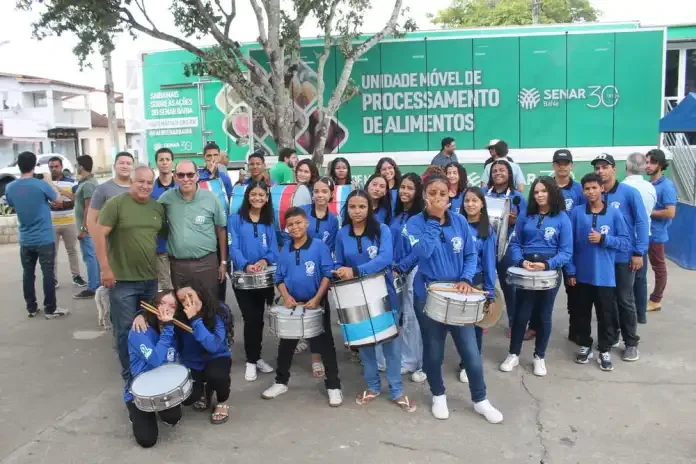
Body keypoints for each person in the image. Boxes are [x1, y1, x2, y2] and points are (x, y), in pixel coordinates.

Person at [404, 175, 502, 422]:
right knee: (434, 351)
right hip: (427, 294)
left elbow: (470, 255)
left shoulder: (460, 222)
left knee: (470, 350)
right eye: (432, 193)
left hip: (459, 295)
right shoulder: (414, 223)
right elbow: (423, 252)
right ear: (424, 196)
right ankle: (438, 395)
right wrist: (435, 220)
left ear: (450, 196)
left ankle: (480, 400)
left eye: (442, 193)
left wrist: (467, 279)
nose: (437, 198)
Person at [334, 190, 416, 412]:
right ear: (347, 209)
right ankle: (372, 386)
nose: (357, 211)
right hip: (354, 298)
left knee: (391, 344)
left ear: (370, 208)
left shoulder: (382, 230)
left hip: (383, 293)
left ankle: (397, 390)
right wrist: (340, 271)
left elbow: (385, 259)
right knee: (365, 345)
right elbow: (339, 262)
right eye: (352, 207)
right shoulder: (342, 234)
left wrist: (357, 270)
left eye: (362, 206)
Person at [261, 207, 343, 406]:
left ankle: (334, 386)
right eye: (290, 224)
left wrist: (317, 299)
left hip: (315, 303)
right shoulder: (284, 250)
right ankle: (281, 382)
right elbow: (279, 278)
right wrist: (286, 296)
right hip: (292, 305)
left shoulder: (319, 246)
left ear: (306, 223)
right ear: (286, 228)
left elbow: (326, 274)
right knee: (286, 344)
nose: (295, 227)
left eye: (298, 222)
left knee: (326, 345)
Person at [93, 166, 165, 386]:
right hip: (122, 281)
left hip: (149, 280)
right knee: (125, 330)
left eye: (149, 182)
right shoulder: (116, 204)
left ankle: (147, 369)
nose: (145, 186)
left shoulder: (157, 207)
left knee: (150, 327)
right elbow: (98, 234)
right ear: (131, 181)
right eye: (140, 181)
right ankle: (130, 377)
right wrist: (105, 268)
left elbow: (160, 238)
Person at [500, 176, 572, 377]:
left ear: (552, 193)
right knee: (522, 313)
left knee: (544, 315)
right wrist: (521, 262)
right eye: (536, 191)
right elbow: (514, 244)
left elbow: (566, 252)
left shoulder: (562, 218)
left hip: (548, 271)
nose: (540, 195)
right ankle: (513, 354)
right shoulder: (526, 214)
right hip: (526, 269)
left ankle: (539, 357)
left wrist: (547, 264)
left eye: (544, 191)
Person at [566, 173, 630, 372]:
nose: (591, 192)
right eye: (587, 188)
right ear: (583, 191)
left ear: (602, 189)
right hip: (581, 276)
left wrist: (605, 239)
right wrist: (571, 271)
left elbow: (625, 242)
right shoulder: (576, 213)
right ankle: (585, 345)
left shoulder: (614, 214)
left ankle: (604, 349)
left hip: (605, 277)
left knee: (606, 314)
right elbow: (569, 244)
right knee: (581, 313)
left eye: (594, 187)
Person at [593, 153, 648, 362]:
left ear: (614, 169)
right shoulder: (595, 194)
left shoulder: (629, 193)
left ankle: (631, 342)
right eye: (597, 168)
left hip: (624, 256)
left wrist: (638, 252)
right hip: (602, 258)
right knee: (608, 301)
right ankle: (612, 335)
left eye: (604, 167)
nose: (600, 171)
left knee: (625, 299)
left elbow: (642, 223)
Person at [5, 151, 68, 319]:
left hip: (25, 239)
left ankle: (31, 307)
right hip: (44, 238)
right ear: (34, 166)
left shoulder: (10, 187)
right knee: (47, 273)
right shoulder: (41, 185)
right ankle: (50, 309)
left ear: (19, 166)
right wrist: (48, 181)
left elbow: (11, 203)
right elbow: (59, 200)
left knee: (28, 273)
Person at [228, 180, 278, 381]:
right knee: (251, 319)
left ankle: (257, 358)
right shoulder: (235, 219)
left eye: (262, 195)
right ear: (248, 196)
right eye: (254, 194)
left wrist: (265, 260)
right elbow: (233, 247)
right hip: (243, 278)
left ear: (267, 199)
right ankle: (250, 361)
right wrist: (246, 264)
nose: (257, 198)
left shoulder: (268, 221)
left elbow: (274, 249)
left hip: (264, 279)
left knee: (260, 320)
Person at [159, 160, 227, 305]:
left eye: (190, 174)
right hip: (178, 267)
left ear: (197, 176)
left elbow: (221, 229)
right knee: (184, 310)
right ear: (175, 177)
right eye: (181, 175)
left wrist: (223, 262)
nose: (186, 179)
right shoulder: (166, 199)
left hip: (207, 264)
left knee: (210, 307)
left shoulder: (211, 198)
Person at [125, 291, 182, 447]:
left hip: (162, 385)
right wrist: (168, 329)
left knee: (173, 418)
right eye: (162, 303)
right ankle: (132, 407)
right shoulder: (140, 330)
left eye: (172, 306)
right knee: (147, 440)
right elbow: (155, 361)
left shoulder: (173, 326)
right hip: (140, 388)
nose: (167, 309)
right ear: (154, 305)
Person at [296, 176, 340, 371]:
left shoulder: (333, 220)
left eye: (324, 192)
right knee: (299, 309)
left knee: (318, 311)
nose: (320, 195)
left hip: (319, 271)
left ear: (331, 195)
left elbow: (330, 248)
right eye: (316, 191)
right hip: (299, 269)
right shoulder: (303, 213)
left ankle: (317, 357)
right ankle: (300, 338)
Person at [482, 160, 527, 337]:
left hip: (507, 248)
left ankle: (514, 323)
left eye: (502, 170)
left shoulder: (517, 197)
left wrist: (515, 221)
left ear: (510, 174)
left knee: (511, 288)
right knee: (484, 285)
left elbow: (525, 223)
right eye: (494, 171)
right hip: (485, 248)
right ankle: (482, 318)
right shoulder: (484, 194)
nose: (498, 173)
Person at [391, 173, 427, 383]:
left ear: (418, 192)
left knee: (414, 316)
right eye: (402, 187)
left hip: (413, 270)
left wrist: (404, 266)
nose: (405, 191)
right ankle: (406, 358)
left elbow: (419, 249)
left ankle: (419, 361)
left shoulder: (421, 217)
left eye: (410, 188)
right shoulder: (396, 214)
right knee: (401, 315)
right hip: (395, 269)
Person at [551, 149, 585, 342]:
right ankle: (536, 326)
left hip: (574, 248)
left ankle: (576, 330)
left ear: (571, 166)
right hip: (550, 247)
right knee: (543, 292)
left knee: (574, 290)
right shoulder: (547, 187)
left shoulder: (579, 189)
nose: (562, 167)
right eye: (559, 163)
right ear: (553, 166)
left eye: (566, 163)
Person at [461, 186, 497, 358]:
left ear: (482, 203)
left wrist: (490, 293)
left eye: (474, 200)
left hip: (475, 282)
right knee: (460, 326)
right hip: (456, 283)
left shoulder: (486, 231)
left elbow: (489, 263)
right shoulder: (457, 225)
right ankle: (464, 358)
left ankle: (470, 363)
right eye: (467, 200)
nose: (470, 204)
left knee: (475, 325)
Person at [622, 153, 657, 325]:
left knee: (624, 280)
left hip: (628, 238)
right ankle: (640, 314)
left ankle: (627, 314)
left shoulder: (622, 188)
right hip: (644, 236)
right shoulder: (650, 187)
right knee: (640, 277)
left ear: (625, 167)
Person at [645, 149, 677, 313]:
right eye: (647, 162)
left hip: (656, 235)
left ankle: (656, 300)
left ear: (661, 165)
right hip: (645, 234)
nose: (648, 166)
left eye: (652, 162)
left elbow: (670, 212)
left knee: (659, 267)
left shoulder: (667, 186)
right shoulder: (649, 184)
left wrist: (648, 212)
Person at [47, 156, 86, 288]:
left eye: (56, 166)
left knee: (72, 251)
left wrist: (63, 204)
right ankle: (53, 279)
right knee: (52, 253)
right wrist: (51, 206)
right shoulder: (45, 183)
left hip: (69, 221)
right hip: (52, 223)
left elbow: (77, 200)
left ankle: (76, 276)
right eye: (51, 167)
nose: (53, 169)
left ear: (61, 167)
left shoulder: (71, 182)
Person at [73, 155, 101, 300]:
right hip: (88, 227)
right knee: (92, 256)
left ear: (81, 167)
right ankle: (96, 283)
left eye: (76, 165)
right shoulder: (85, 183)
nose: (75, 168)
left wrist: (84, 228)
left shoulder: (89, 184)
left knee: (89, 256)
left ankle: (92, 287)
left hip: (88, 228)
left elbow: (89, 207)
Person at [86, 152, 133, 236]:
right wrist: (98, 242)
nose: (125, 166)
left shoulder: (140, 188)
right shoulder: (102, 189)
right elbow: (91, 220)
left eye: (128, 164)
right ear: (114, 166)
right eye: (121, 163)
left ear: (133, 167)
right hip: (111, 243)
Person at [151, 148, 176, 291]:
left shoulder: (180, 186)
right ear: (157, 163)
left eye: (167, 159)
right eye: (161, 160)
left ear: (172, 162)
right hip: (160, 245)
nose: (165, 163)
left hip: (180, 245)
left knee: (182, 284)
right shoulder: (151, 188)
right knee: (167, 286)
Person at [198, 142, 234, 216]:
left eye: (215, 155)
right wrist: (211, 176)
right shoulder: (197, 177)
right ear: (204, 158)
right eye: (209, 156)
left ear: (219, 157)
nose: (212, 158)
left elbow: (230, 201)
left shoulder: (225, 178)